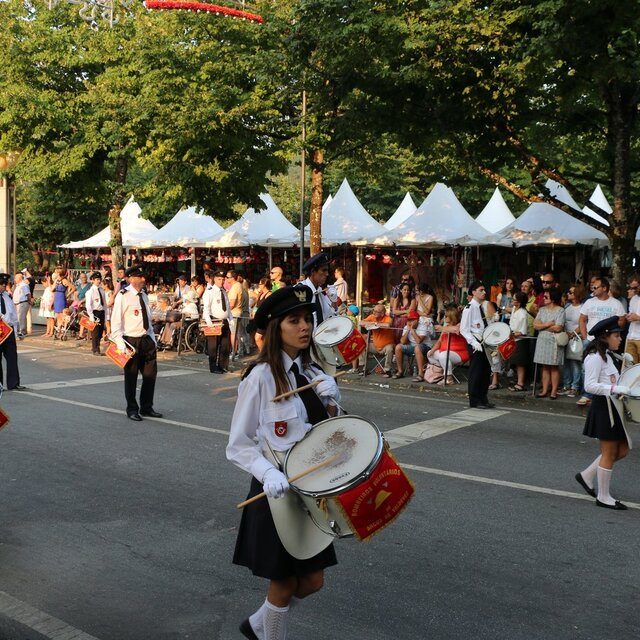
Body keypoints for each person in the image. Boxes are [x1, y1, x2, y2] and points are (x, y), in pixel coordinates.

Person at [226, 285, 340, 640]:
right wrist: (267, 474)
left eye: (307, 319)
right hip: (276, 492)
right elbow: (238, 445)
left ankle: (257, 626)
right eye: (294, 320)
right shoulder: (260, 376)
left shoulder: (310, 372)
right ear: (277, 327)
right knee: (284, 582)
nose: (304, 326)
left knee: (313, 581)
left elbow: (324, 433)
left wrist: (332, 402)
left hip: (309, 490)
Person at [575, 316, 633, 510]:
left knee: (622, 450)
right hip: (604, 408)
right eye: (617, 336)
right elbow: (589, 385)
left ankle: (586, 476)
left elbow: (616, 379)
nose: (620, 339)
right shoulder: (594, 357)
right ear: (605, 337)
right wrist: (614, 389)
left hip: (614, 407)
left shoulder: (609, 355)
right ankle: (603, 496)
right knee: (609, 453)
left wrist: (628, 365)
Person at [110, 265, 162, 421]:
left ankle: (147, 407)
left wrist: (152, 340)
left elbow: (147, 319)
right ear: (131, 278)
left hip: (146, 340)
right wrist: (121, 345)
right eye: (140, 277)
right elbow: (115, 323)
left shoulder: (144, 294)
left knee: (150, 376)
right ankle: (132, 409)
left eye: (144, 276)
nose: (144, 279)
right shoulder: (123, 295)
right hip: (131, 341)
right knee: (131, 377)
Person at [577, 276, 626, 406]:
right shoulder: (589, 302)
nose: (592, 289)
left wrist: (613, 333)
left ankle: (605, 394)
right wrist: (584, 336)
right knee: (587, 368)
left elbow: (622, 321)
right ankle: (587, 395)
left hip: (607, 341)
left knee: (607, 368)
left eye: (596, 287)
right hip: (591, 339)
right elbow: (582, 319)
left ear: (604, 288)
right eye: (592, 286)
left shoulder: (616, 303)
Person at [460, 280, 493, 409]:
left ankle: (483, 398)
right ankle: (474, 400)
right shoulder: (469, 308)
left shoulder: (481, 306)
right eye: (481, 290)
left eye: (484, 290)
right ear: (473, 292)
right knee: (476, 371)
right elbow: (464, 329)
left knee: (485, 371)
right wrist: (473, 342)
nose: (484, 292)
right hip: (475, 341)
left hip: (484, 341)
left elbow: (483, 324)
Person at [533, 287, 566, 399]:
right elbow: (535, 325)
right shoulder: (542, 310)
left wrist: (542, 327)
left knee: (554, 367)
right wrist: (548, 324)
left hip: (554, 341)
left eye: (546, 297)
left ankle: (554, 391)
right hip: (542, 340)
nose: (543, 299)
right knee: (545, 366)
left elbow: (558, 327)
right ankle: (544, 390)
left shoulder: (560, 310)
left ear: (553, 298)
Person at [426, 305, 469, 385]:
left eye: (446, 316)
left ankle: (449, 378)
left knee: (443, 355)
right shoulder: (445, 327)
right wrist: (432, 351)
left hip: (459, 353)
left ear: (451, 317)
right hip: (444, 352)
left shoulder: (460, 325)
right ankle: (442, 374)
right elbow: (439, 342)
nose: (444, 318)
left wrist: (441, 328)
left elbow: (456, 330)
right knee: (429, 354)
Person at [202, 270, 232, 374]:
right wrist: (209, 322)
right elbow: (206, 308)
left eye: (223, 279)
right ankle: (213, 367)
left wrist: (231, 318)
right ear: (214, 279)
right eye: (219, 279)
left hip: (224, 320)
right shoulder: (210, 291)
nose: (221, 281)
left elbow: (227, 306)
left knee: (225, 345)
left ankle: (223, 365)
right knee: (213, 346)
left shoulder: (224, 291)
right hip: (214, 320)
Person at [559, 283, 587, 397]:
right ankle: (566, 385)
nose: (568, 294)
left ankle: (575, 387)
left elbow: (583, 323)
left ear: (577, 294)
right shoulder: (567, 306)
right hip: (566, 336)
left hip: (576, 337)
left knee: (575, 362)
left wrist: (573, 333)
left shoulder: (583, 307)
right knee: (565, 362)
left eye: (570, 292)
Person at [0, 274, 26, 390]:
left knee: (12, 357)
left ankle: (13, 383)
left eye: (5, 284)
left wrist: (15, 331)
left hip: (8, 330)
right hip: (0, 329)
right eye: (2, 284)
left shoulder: (7, 297)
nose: (4, 286)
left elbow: (13, 315)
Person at [300, 252, 337, 329]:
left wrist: (334, 300)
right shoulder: (301, 290)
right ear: (313, 271)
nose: (327, 274)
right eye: (323, 270)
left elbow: (331, 315)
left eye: (327, 271)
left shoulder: (320, 291)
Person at [359, 304, 395, 378]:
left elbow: (388, 325)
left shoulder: (388, 318)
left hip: (386, 346)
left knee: (390, 348)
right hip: (375, 346)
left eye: (376, 311)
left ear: (382, 313)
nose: (374, 312)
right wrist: (373, 323)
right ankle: (363, 368)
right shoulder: (372, 317)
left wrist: (375, 324)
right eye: (373, 310)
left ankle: (387, 370)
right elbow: (361, 323)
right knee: (361, 345)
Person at [393, 309, 429, 379]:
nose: (410, 322)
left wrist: (412, 330)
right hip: (412, 347)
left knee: (417, 347)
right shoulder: (406, 327)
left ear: (417, 320)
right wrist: (407, 330)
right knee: (398, 347)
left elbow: (419, 341)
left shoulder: (423, 326)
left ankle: (421, 374)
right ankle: (400, 371)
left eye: (412, 320)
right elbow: (402, 342)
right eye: (409, 320)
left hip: (425, 347)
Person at [507, 292, 531, 393]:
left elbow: (523, 332)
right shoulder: (514, 309)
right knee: (515, 363)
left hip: (520, 340)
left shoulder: (523, 313)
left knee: (520, 363)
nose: (512, 301)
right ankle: (517, 381)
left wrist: (511, 334)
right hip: (512, 338)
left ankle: (520, 383)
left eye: (514, 299)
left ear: (519, 302)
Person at [85, 271, 106, 356]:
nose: (99, 281)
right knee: (95, 332)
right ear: (93, 280)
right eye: (97, 279)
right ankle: (95, 349)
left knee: (100, 331)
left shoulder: (101, 290)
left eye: (99, 279)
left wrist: (105, 313)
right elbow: (88, 305)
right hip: (95, 312)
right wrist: (91, 316)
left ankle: (97, 347)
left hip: (101, 312)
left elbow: (104, 303)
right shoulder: (90, 291)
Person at [51, 267, 76, 339]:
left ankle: (62, 331)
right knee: (58, 315)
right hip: (57, 298)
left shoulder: (64, 280)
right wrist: (55, 281)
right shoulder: (57, 281)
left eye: (56, 272)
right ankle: (58, 330)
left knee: (62, 315)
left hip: (61, 298)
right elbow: (52, 289)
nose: (55, 273)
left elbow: (73, 288)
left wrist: (68, 294)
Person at [624, 275, 640, 364]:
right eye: (631, 288)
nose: (633, 290)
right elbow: (631, 314)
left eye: (635, 287)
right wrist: (628, 316)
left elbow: (636, 317)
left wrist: (638, 318)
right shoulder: (634, 299)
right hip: (631, 336)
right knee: (629, 366)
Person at [12, 272, 32, 339]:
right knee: (20, 317)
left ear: (19, 278)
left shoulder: (24, 285)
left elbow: (28, 294)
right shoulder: (19, 285)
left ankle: (22, 332)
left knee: (21, 318)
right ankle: (22, 331)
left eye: (15, 278)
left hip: (22, 303)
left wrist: (29, 301)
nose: (14, 279)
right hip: (19, 303)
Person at [74, 272, 91, 340]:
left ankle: (85, 334)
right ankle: (81, 334)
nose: (83, 279)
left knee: (86, 318)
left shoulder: (89, 285)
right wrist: (78, 301)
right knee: (81, 319)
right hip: (80, 305)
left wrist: (81, 301)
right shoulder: (79, 286)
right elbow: (76, 294)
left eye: (84, 277)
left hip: (86, 304)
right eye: (82, 277)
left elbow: (89, 295)